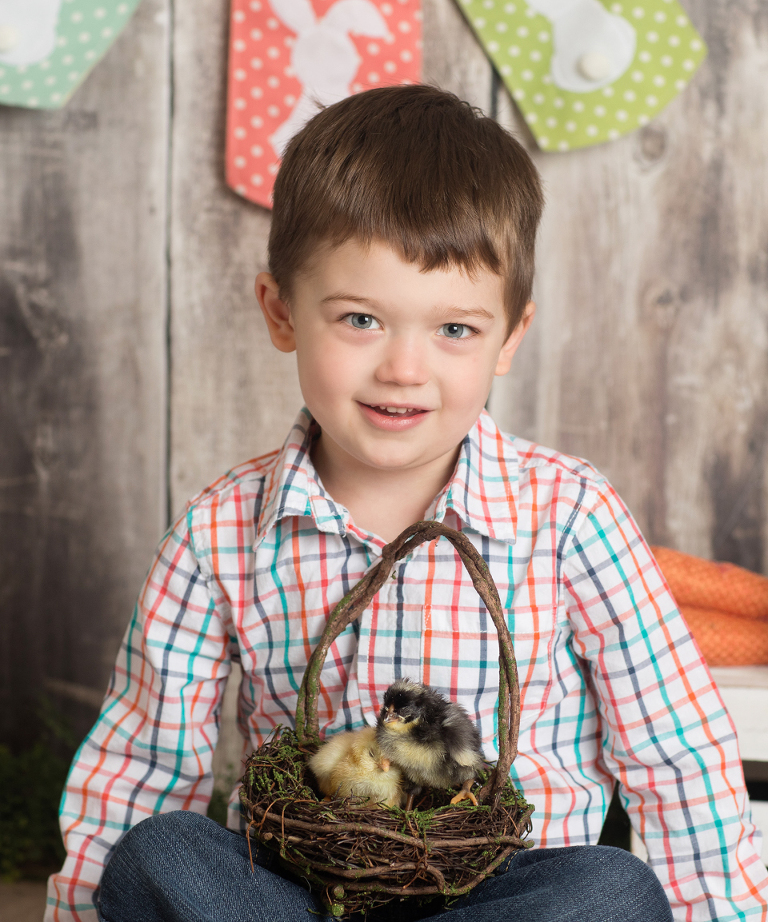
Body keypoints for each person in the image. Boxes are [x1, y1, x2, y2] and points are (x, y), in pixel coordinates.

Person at [46, 85, 767, 922]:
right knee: (161, 853)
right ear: (281, 312)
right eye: (361, 318)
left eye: (454, 330)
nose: (404, 369)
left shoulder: (568, 513)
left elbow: (672, 750)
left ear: (510, 337)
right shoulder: (220, 529)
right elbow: (141, 756)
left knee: (610, 890)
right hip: (298, 893)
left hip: (500, 891)